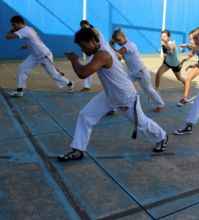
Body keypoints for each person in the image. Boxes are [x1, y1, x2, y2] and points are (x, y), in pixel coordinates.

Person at [57, 28, 168, 161]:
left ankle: (162, 137)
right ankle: (78, 150)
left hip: (125, 97)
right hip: (109, 96)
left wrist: (74, 59)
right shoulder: (101, 43)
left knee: (141, 123)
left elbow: (83, 73)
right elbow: (97, 33)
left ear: (92, 41)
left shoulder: (102, 54)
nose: (82, 49)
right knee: (85, 115)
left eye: (83, 45)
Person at [6, 15, 74, 97]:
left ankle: (70, 84)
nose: (13, 27)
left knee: (54, 74)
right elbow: (36, 39)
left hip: (44, 55)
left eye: (14, 25)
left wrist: (12, 30)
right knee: (22, 68)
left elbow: (8, 36)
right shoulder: (29, 29)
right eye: (12, 25)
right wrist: (27, 46)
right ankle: (20, 90)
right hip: (35, 56)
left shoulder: (24, 30)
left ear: (20, 23)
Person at [110, 28, 165, 112]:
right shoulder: (124, 47)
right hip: (132, 73)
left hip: (141, 72)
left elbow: (116, 53)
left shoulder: (129, 45)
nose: (118, 42)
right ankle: (113, 107)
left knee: (148, 89)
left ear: (124, 36)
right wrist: (112, 46)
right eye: (116, 41)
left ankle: (160, 105)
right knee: (120, 86)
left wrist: (111, 46)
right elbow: (118, 57)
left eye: (119, 40)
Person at [79, 20, 107, 92]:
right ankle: (86, 86)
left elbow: (94, 35)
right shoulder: (88, 32)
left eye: (84, 26)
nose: (83, 28)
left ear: (88, 24)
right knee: (89, 66)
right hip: (98, 52)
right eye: (82, 27)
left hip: (104, 51)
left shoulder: (94, 30)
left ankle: (87, 86)